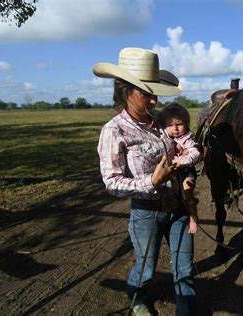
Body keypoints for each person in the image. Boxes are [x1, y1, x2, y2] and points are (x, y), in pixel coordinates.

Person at [95, 47, 196, 316]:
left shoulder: (160, 124)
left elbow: (180, 151)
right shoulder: (114, 131)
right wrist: (151, 181)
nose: (154, 101)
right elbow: (112, 182)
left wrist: (187, 171)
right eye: (147, 93)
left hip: (179, 208)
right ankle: (137, 298)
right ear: (127, 91)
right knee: (146, 267)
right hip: (146, 213)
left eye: (155, 94)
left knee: (184, 267)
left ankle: (185, 310)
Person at [157, 103, 200, 234]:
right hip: (171, 171)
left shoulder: (188, 139)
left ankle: (193, 217)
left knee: (187, 189)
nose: (175, 129)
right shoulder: (164, 136)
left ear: (186, 123)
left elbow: (195, 153)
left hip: (185, 170)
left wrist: (181, 161)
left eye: (179, 124)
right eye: (170, 125)